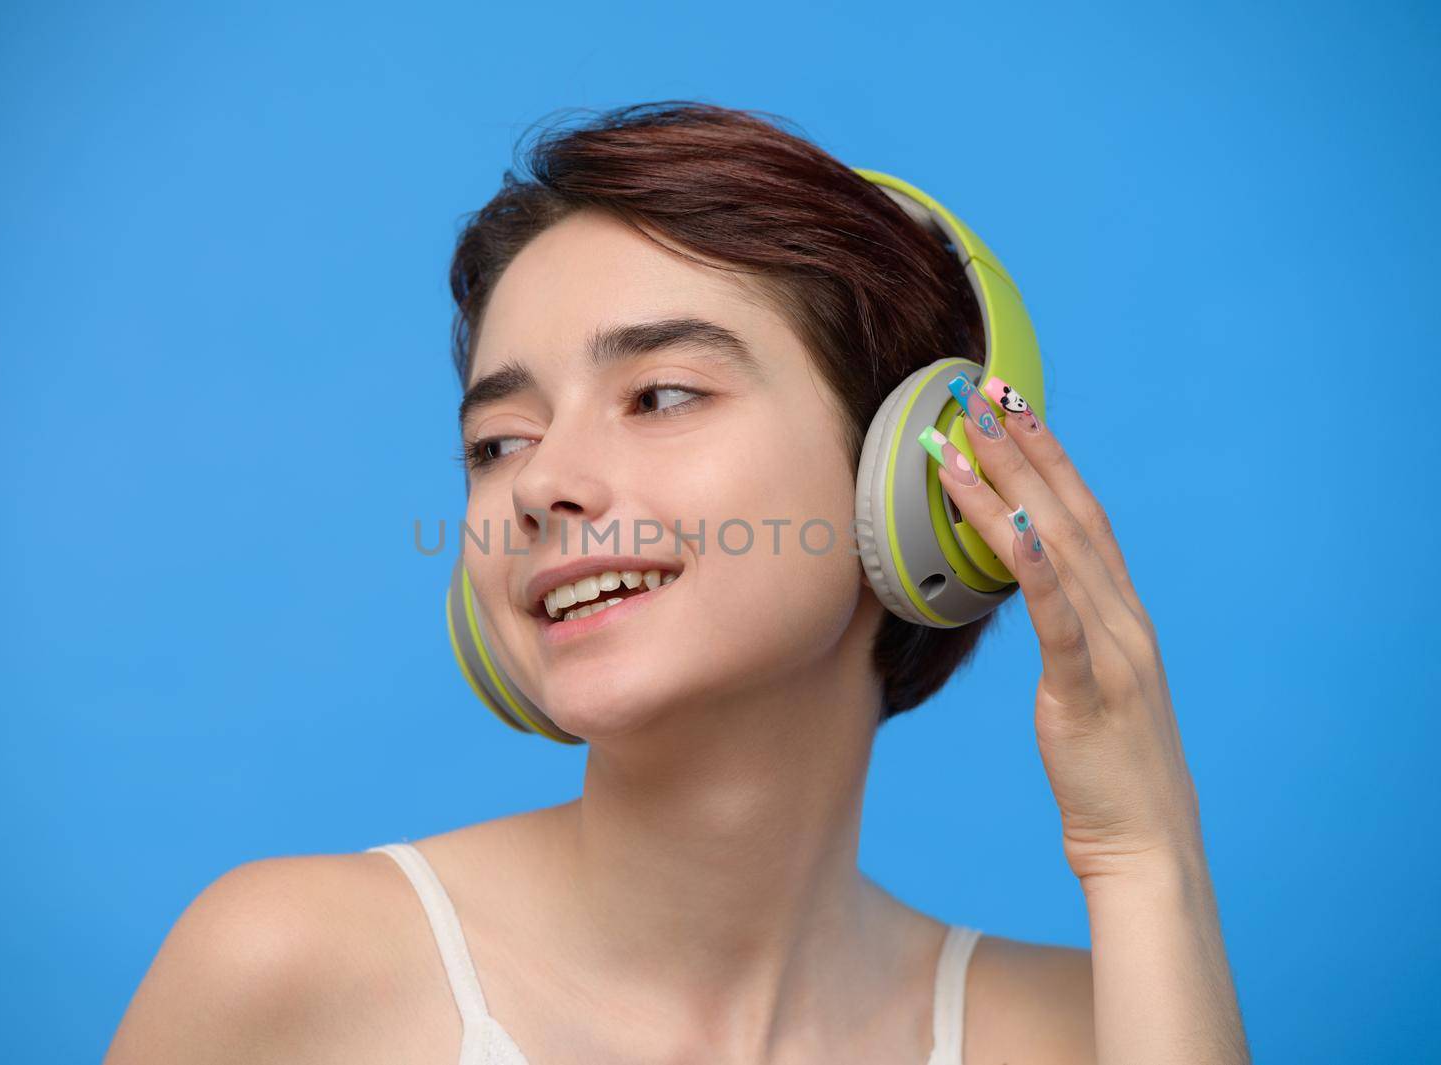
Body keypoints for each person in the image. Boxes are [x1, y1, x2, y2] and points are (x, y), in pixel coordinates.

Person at [103, 101, 1249, 1064]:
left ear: (916, 479)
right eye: (498, 441)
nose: (542, 482)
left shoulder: (1068, 1035)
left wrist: (1145, 856)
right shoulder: (291, 972)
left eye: (659, 395)